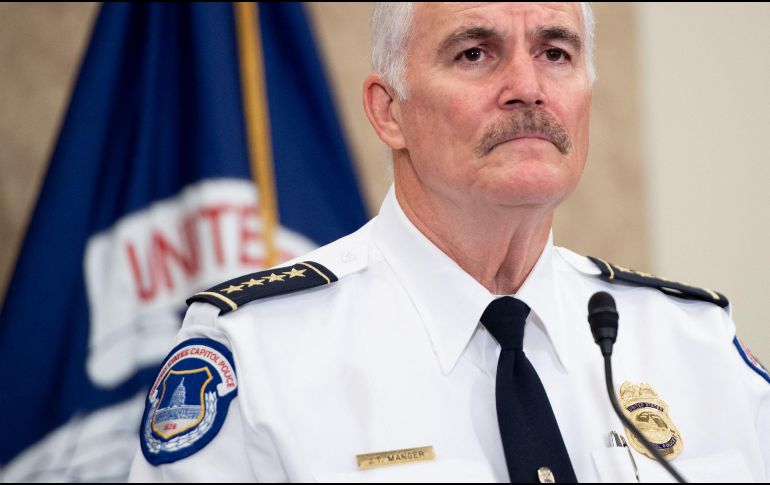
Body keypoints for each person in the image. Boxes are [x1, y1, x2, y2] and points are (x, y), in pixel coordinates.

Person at [129, 2, 770, 482]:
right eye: (476, 53)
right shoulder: (259, 354)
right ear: (389, 112)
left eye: (556, 53)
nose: (528, 87)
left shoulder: (694, 344)